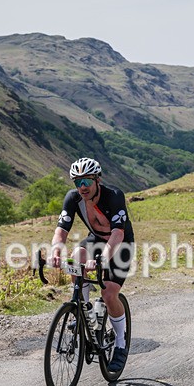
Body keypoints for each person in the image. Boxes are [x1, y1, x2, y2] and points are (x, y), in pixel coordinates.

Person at [50, 157, 135, 371]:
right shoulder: (73, 198)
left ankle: (120, 342)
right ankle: (82, 309)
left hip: (120, 243)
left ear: (97, 179)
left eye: (87, 181)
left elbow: (117, 233)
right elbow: (61, 230)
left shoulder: (114, 196)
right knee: (77, 254)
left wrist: (104, 259)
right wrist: (56, 249)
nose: (83, 187)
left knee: (109, 294)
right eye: (78, 182)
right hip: (95, 239)